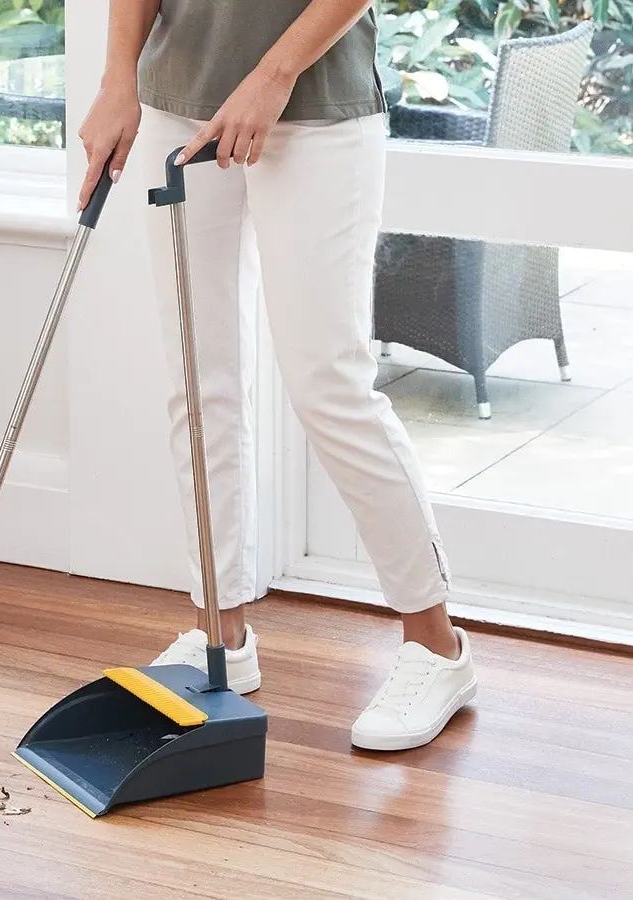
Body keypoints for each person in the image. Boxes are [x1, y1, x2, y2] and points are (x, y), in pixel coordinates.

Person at [77, 0, 477, 751]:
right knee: (199, 381)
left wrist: (272, 74)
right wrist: (117, 78)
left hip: (316, 110)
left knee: (330, 382)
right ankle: (219, 635)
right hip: (176, 105)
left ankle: (437, 646)